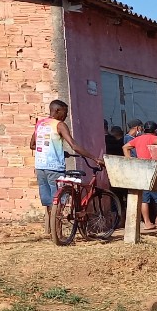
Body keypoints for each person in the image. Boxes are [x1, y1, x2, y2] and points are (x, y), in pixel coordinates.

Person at [30, 99, 102, 232]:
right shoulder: (59, 125)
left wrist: (56, 150)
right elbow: (74, 145)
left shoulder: (40, 123)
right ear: (57, 111)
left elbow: (32, 145)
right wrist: (95, 158)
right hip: (55, 168)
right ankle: (58, 233)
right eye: (65, 112)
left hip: (40, 167)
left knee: (49, 201)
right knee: (59, 200)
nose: (66, 116)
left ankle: (49, 230)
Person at [124, 121, 157, 229]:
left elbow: (125, 147)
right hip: (153, 170)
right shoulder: (152, 138)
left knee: (144, 199)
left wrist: (130, 161)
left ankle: (147, 223)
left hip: (141, 170)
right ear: (155, 131)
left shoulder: (138, 139)